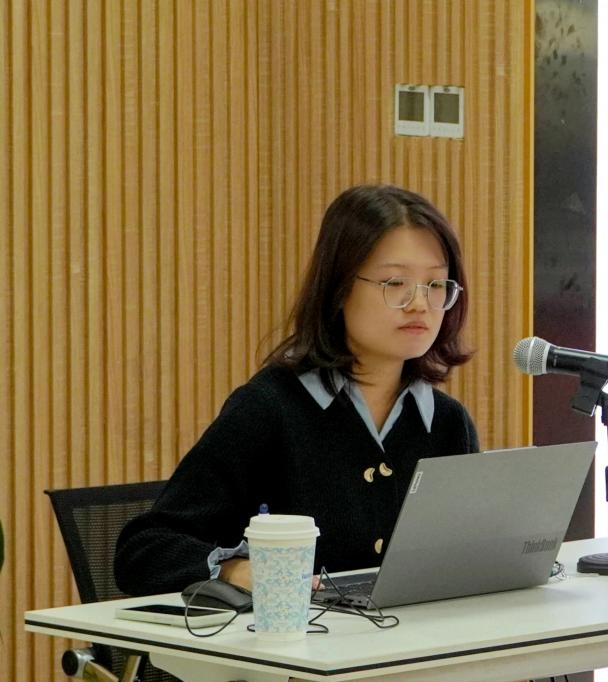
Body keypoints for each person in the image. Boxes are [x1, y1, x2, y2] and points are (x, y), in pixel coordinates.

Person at [114, 184, 479, 596]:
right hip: (296, 636)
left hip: (413, 636)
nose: (420, 304)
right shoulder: (270, 408)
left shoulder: (448, 423)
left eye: (436, 285)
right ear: (340, 288)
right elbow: (145, 551)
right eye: (395, 283)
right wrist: (235, 570)